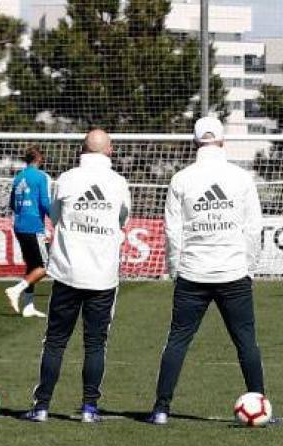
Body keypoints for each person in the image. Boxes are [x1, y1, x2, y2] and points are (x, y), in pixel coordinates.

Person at [147, 116, 267, 426]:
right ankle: (260, 402)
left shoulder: (181, 179)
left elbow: (173, 232)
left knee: (177, 341)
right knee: (246, 342)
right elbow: (254, 229)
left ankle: (161, 409)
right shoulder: (240, 178)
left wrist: (176, 269)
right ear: (223, 142)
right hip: (233, 273)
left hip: (193, 273)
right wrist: (248, 267)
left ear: (194, 143)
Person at [22, 129, 130, 424]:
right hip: (103, 276)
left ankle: (42, 406)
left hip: (68, 272)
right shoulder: (118, 183)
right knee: (95, 344)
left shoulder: (67, 179)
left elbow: (55, 217)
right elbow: (123, 219)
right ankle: (89, 408)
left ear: (83, 150)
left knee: (55, 341)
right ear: (108, 151)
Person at [4, 146, 51, 318]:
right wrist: (57, 219)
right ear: (39, 158)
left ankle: (28, 307)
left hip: (19, 225)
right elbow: (45, 203)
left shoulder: (18, 177)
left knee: (32, 266)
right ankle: (16, 290)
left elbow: (12, 204)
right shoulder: (41, 177)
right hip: (33, 226)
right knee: (47, 266)